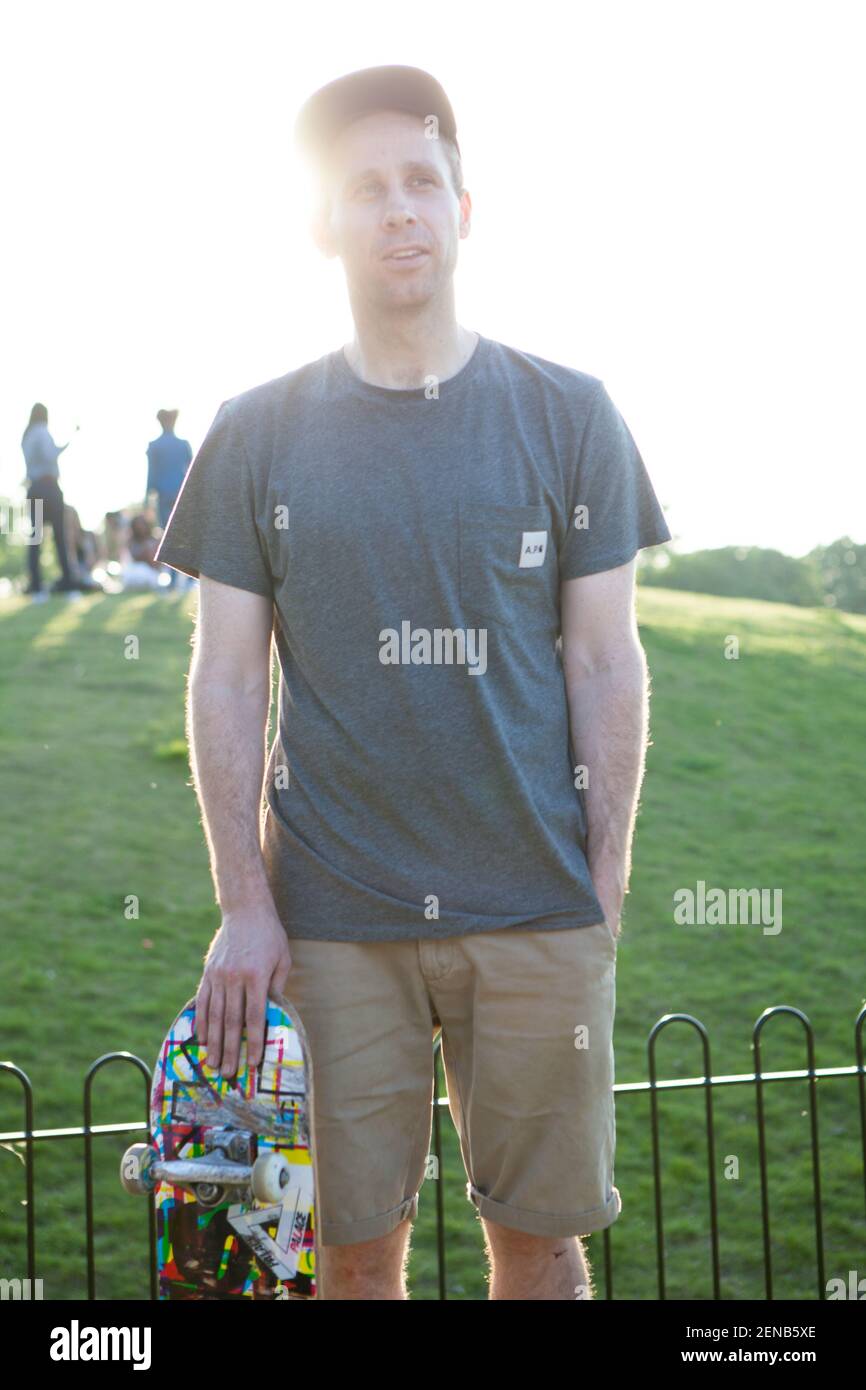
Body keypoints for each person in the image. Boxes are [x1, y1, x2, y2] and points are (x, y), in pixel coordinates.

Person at [154, 65, 671, 1301]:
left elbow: (605, 656)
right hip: (330, 920)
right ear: (322, 223)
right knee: (345, 1254)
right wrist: (244, 903)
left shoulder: (569, 414)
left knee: (541, 1249)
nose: (399, 209)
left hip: (536, 909)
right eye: (367, 188)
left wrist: (603, 878)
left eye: (422, 182)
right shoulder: (255, 429)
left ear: (463, 209)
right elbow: (225, 679)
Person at [20, 403, 78, 595]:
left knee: (35, 539)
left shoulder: (26, 436)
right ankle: (67, 581)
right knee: (59, 536)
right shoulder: (42, 432)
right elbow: (50, 455)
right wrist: (71, 438)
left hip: (34, 488)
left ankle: (35, 582)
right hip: (48, 488)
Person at [145, 409, 192, 589]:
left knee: (167, 536)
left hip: (164, 495)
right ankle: (186, 578)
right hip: (181, 493)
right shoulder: (183, 444)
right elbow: (192, 470)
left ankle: (173, 577)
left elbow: (151, 474)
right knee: (184, 534)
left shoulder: (154, 445)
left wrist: (146, 499)